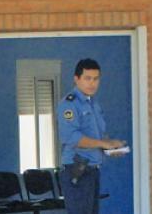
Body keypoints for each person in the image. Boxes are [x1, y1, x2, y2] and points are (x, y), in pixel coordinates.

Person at [57, 58, 126, 214]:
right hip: (77, 170)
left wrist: (111, 145)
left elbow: (98, 136)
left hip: (92, 169)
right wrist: (103, 144)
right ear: (76, 79)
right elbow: (71, 138)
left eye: (96, 79)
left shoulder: (93, 103)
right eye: (87, 78)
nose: (92, 83)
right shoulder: (69, 104)